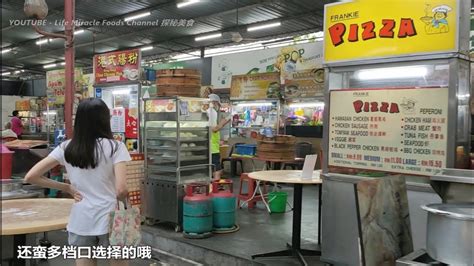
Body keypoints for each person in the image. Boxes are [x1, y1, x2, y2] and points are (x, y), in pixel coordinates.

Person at [25, 98, 130, 266]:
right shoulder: (116, 147)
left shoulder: (66, 147)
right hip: (112, 218)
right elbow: (121, 189)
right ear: (105, 120)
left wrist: (66, 187)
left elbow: (31, 176)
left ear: (79, 121)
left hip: (81, 219)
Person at [207, 94, 230, 180]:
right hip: (212, 149)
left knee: (210, 169)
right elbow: (214, 129)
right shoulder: (212, 112)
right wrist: (227, 119)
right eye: (218, 105)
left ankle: (210, 187)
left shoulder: (206, 112)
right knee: (217, 170)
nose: (218, 107)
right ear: (215, 103)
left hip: (209, 146)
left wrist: (218, 141)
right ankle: (216, 188)